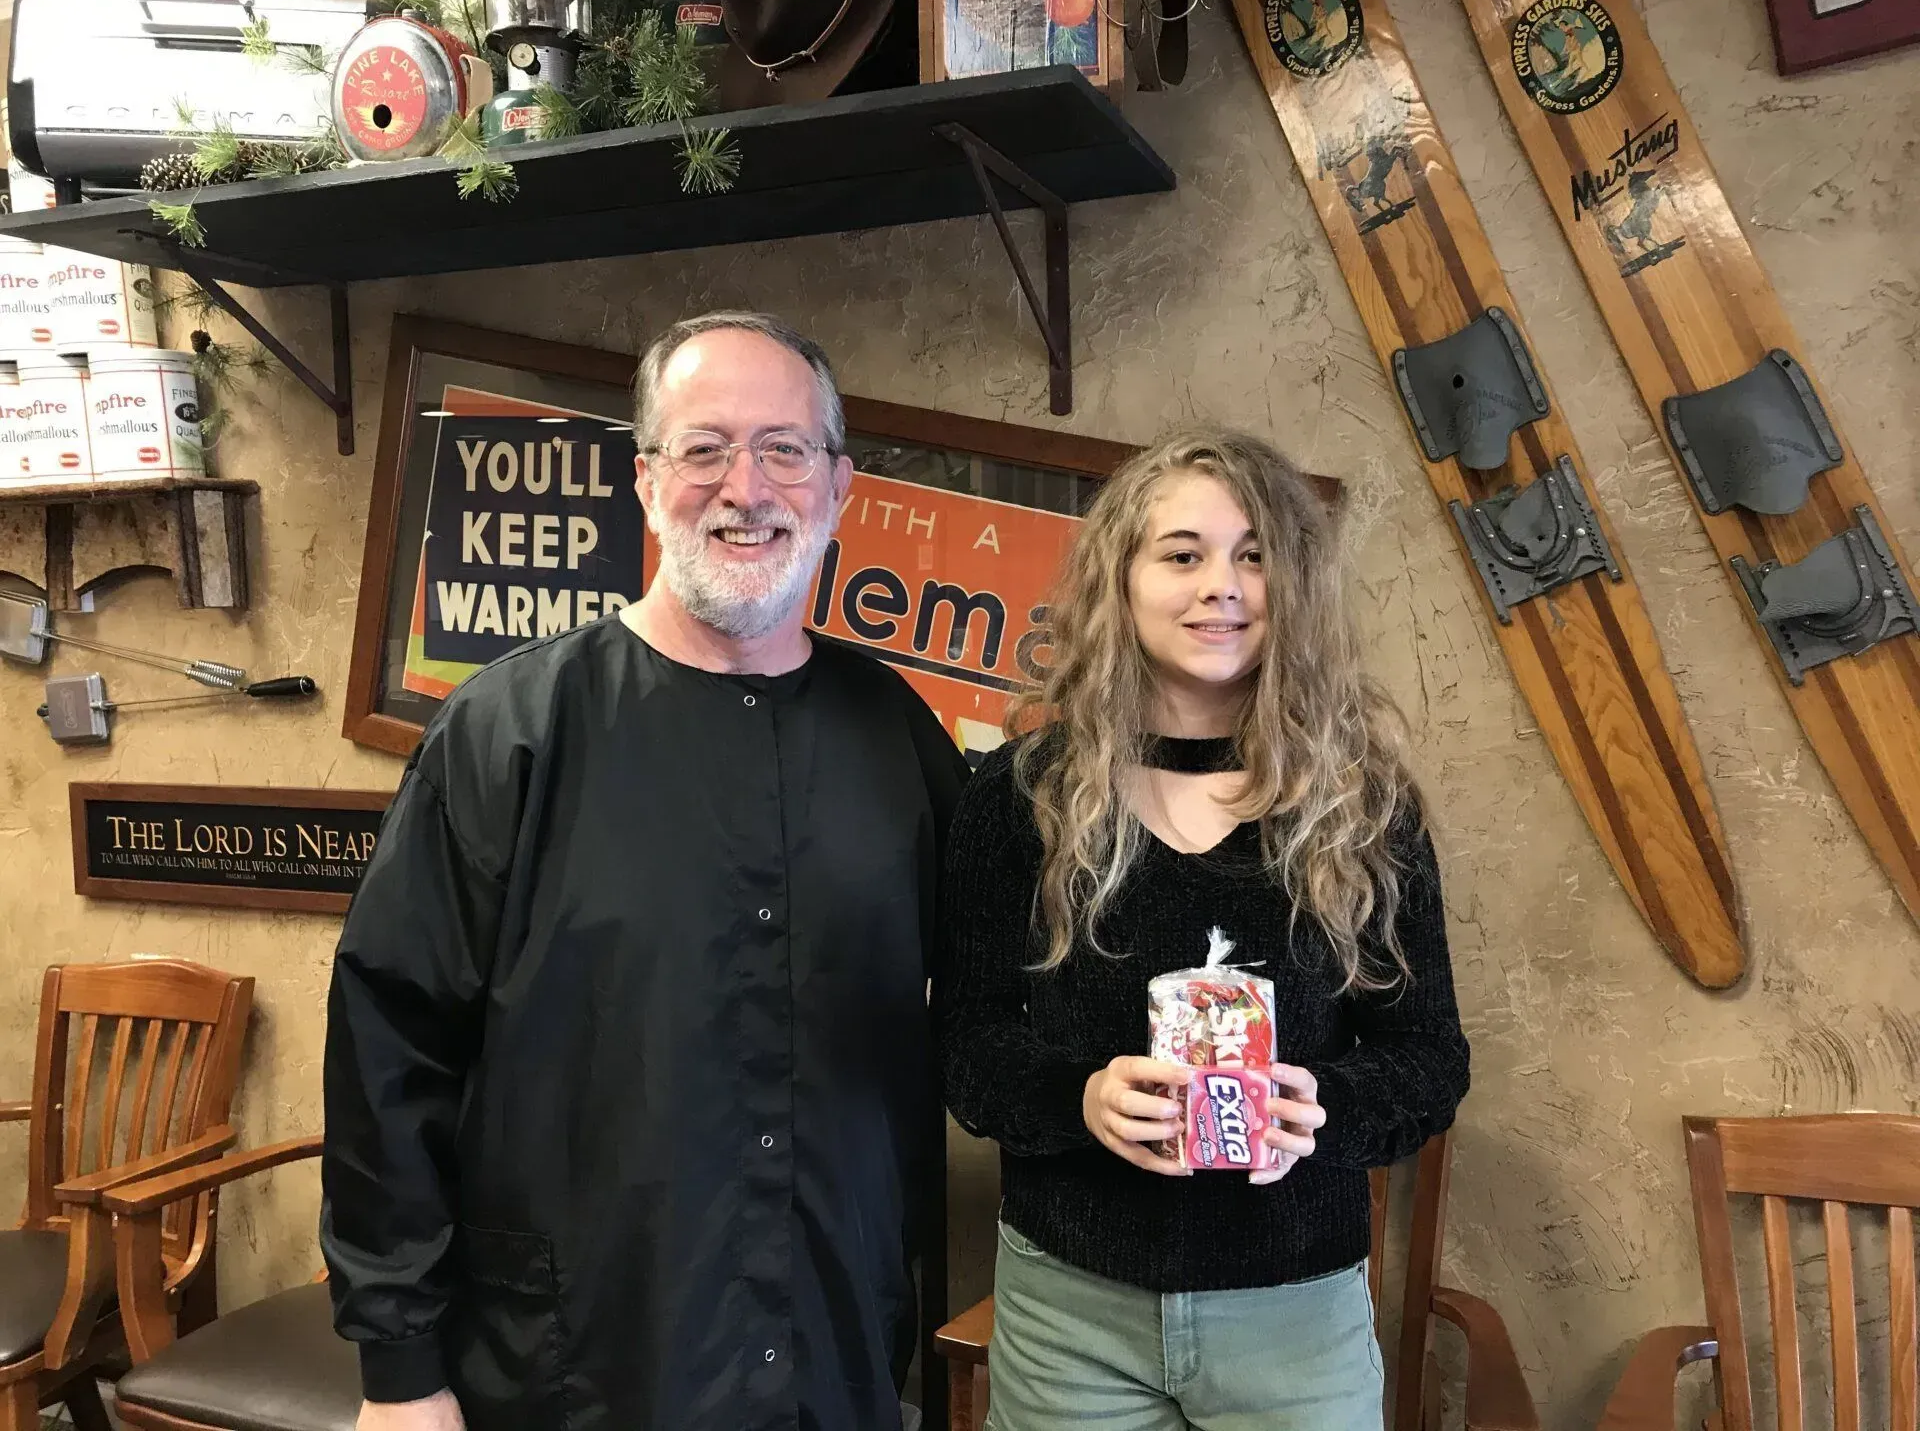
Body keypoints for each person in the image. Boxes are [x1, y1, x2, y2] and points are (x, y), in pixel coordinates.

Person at [322, 311, 969, 1431]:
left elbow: (997, 992)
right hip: (579, 1367)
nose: (745, 488)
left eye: (784, 449)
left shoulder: (896, 738)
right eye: (704, 448)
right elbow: (392, 1050)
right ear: (645, 480)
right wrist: (400, 1368)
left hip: (832, 1352)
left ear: (839, 486)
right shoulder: (509, 732)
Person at [936, 428, 1470, 1430]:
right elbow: (966, 1045)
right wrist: (1080, 1099)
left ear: (1293, 585)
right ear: (1122, 579)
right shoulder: (1019, 797)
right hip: (1071, 1308)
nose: (1220, 585)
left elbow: (1430, 1058)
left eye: (1254, 555)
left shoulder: (1362, 805)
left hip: (1295, 1318)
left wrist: (1324, 1108)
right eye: (1182, 554)